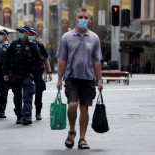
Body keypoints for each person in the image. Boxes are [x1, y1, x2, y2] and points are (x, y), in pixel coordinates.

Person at [56, 8, 103, 149]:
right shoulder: (66, 37)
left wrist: (99, 80)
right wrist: (59, 79)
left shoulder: (94, 38)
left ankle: (82, 139)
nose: (83, 19)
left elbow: (97, 61)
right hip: (71, 78)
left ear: (89, 20)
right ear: (75, 19)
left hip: (88, 79)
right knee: (73, 105)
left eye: (86, 17)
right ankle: (72, 130)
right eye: (80, 17)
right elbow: (62, 60)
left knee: (84, 108)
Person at [3, 25, 40, 125]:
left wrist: (33, 73)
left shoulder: (32, 46)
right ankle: (19, 115)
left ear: (28, 33)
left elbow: (38, 61)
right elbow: (7, 59)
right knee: (17, 96)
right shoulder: (13, 45)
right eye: (20, 32)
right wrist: (6, 73)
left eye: (23, 32)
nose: (21, 34)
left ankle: (27, 115)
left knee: (27, 95)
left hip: (27, 74)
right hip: (15, 74)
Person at [28, 28, 52, 120]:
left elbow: (46, 59)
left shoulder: (40, 45)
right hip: (28, 72)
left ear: (36, 36)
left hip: (38, 72)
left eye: (33, 34)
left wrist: (49, 72)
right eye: (29, 34)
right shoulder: (25, 45)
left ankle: (38, 112)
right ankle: (28, 112)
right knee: (28, 92)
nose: (31, 36)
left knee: (39, 92)